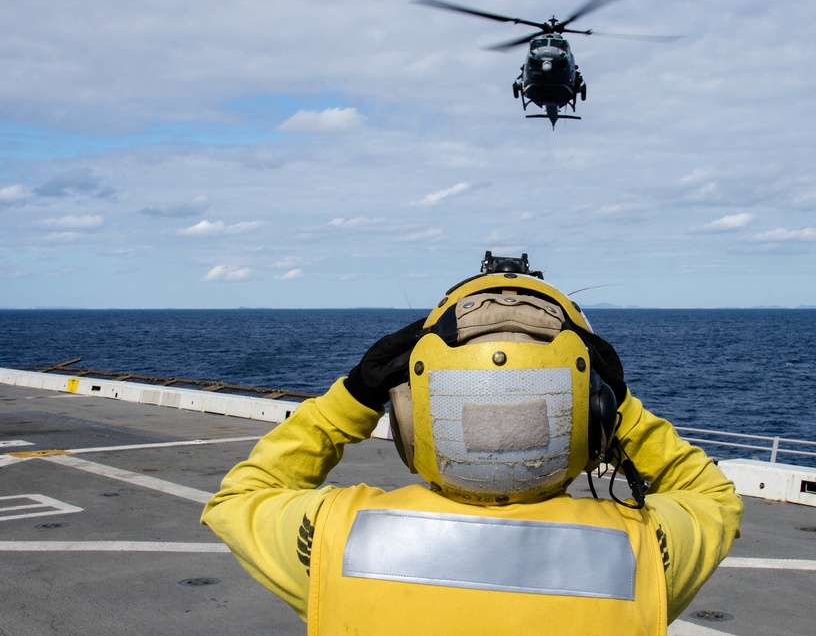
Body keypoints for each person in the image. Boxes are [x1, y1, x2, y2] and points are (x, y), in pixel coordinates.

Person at [202, 255, 743, 634]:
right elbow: (712, 496)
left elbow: (244, 495)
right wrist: (620, 409)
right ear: (593, 415)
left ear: (411, 414)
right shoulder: (646, 555)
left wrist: (354, 395)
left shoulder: (333, 538)